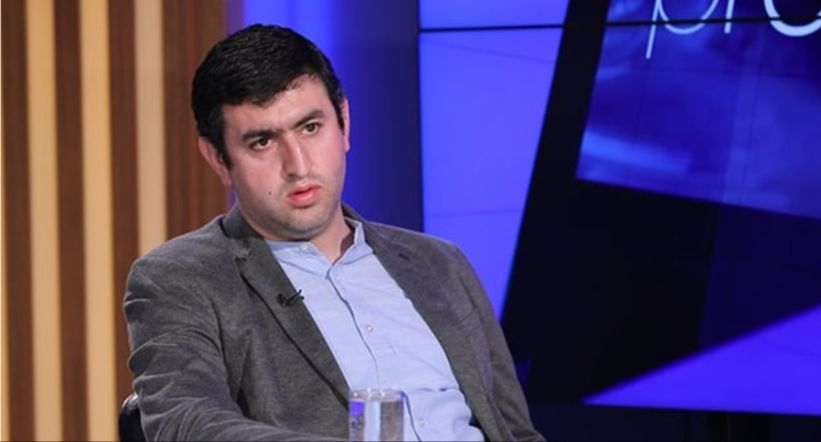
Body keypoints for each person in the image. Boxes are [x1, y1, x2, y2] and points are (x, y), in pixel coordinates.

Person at [124, 24, 543, 441]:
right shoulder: (182, 278)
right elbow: (186, 423)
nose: (298, 165)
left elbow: (515, 430)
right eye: (262, 142)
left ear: (344, 122)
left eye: (310, 127)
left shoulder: (440, 263)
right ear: (218, 158)